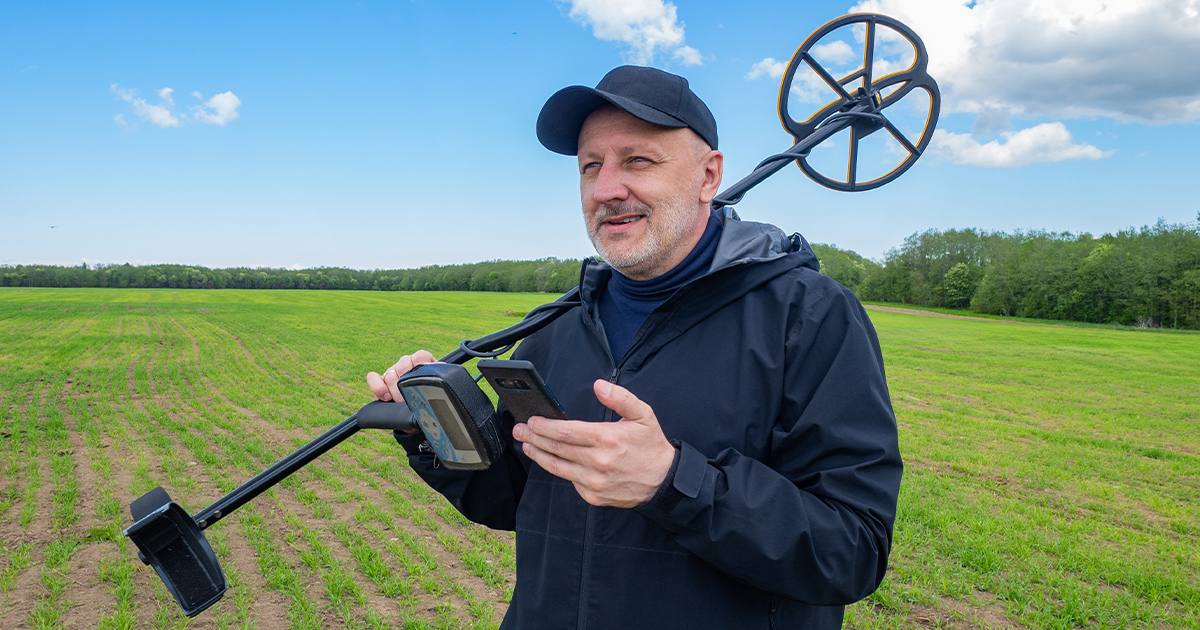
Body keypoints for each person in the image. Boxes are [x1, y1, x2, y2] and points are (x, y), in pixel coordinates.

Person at [367, 65, 902, 630]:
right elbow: (518, 499)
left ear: (708, 176)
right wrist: (431, 429)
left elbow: (852, 549)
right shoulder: (558, 324)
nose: (605, 190)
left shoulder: (808, 315)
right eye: (590, 167)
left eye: (637, 161)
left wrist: (672, 481)